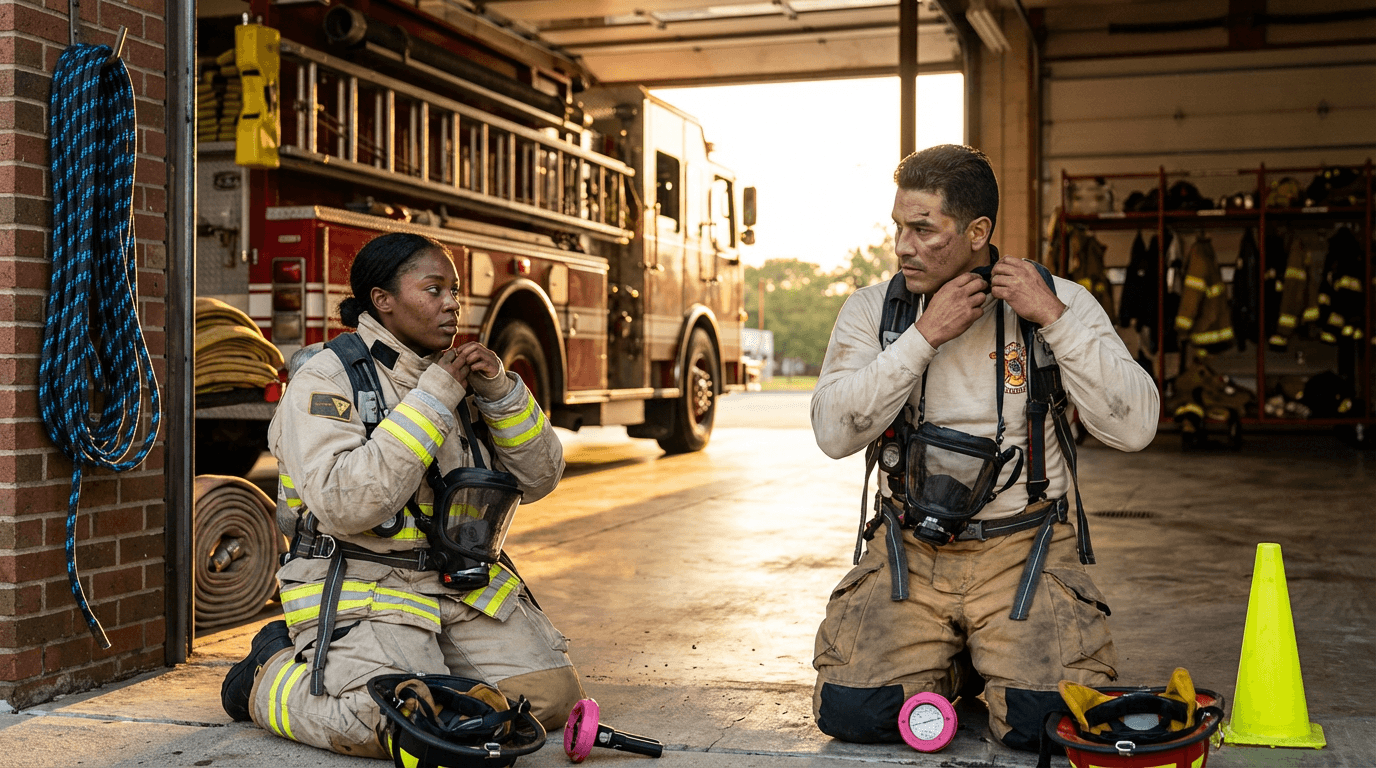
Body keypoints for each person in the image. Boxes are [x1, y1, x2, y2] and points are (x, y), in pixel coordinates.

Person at [809, 145, 1158, 750]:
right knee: (855, 712)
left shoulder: (1058, 301)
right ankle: (957, 655)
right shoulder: (875, 311)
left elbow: (1135, 427)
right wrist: (922, 338)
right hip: (909, 549)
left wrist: (1054, 319)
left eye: (923, 229)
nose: (902, 246)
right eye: (898, 227)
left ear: (977, 233)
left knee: (1043, 724)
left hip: (1023, 545)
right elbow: (833, 433)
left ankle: (980, 655)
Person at [221, 232, 582, 757]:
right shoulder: (328, 376)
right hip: (360, 581)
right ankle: (265, 673)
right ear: (382, 300)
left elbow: (539, 479)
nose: (453, 303)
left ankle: (425, 674)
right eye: (433, 289)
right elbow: (346, 503)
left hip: (452, 583)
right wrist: (433, 400)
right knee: (384, 723)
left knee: (550, 702)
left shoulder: (460, 378)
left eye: (454, 290)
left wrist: (501, 394)